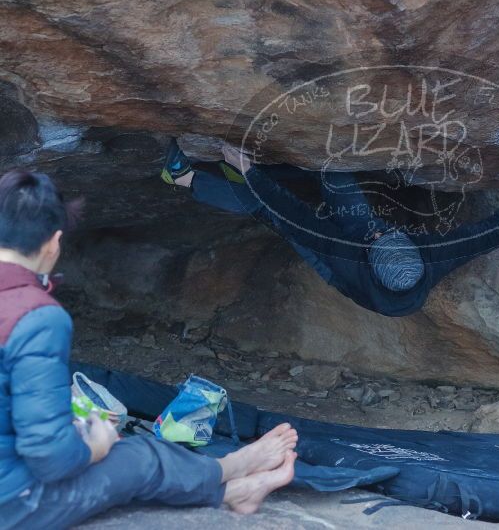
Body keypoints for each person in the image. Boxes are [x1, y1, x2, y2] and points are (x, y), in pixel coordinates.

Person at [0, 170, 299, 530]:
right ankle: (232, 481)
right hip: (15, 504)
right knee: (138, 457)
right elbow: (50, 459)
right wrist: (96, 444)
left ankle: (231, 479)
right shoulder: (35, 315)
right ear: (53, 243)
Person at [162, 140, 499, 317]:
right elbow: (494, 231)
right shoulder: (435, 256)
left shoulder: (345, 258)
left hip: (333, 262)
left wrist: (251, 175)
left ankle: (183, 178)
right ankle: (259, 169)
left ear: (368, 256)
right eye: (388, 233)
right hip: (376, 251)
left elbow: (288, 215)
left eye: (376, 238)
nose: (380, 231)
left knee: (271, 209)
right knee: (335, 175)